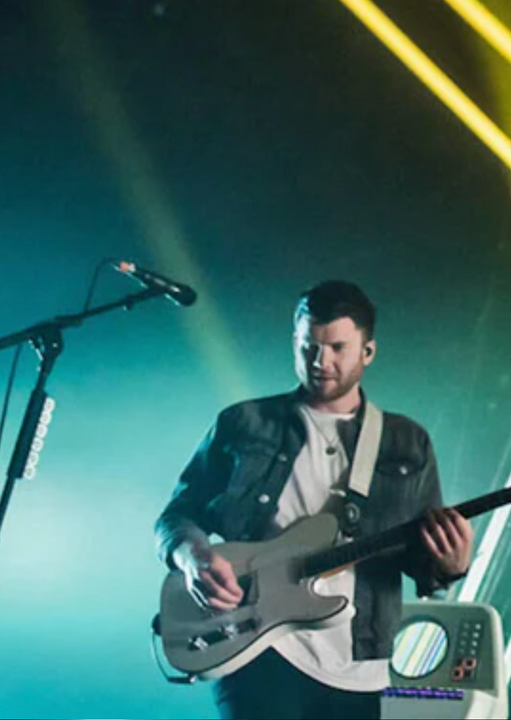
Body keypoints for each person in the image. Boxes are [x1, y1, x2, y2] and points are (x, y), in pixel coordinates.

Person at [155, 281, 473, 719]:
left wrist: (450, 565)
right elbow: (177, 515)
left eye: (337, 348)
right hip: (255, 647)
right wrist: (194, 557)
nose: (321, 362)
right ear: (295, 343)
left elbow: (418, 562)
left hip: (358, 664)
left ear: (369, 352)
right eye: (309, 347)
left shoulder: (406, 441)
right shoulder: (245, 422)